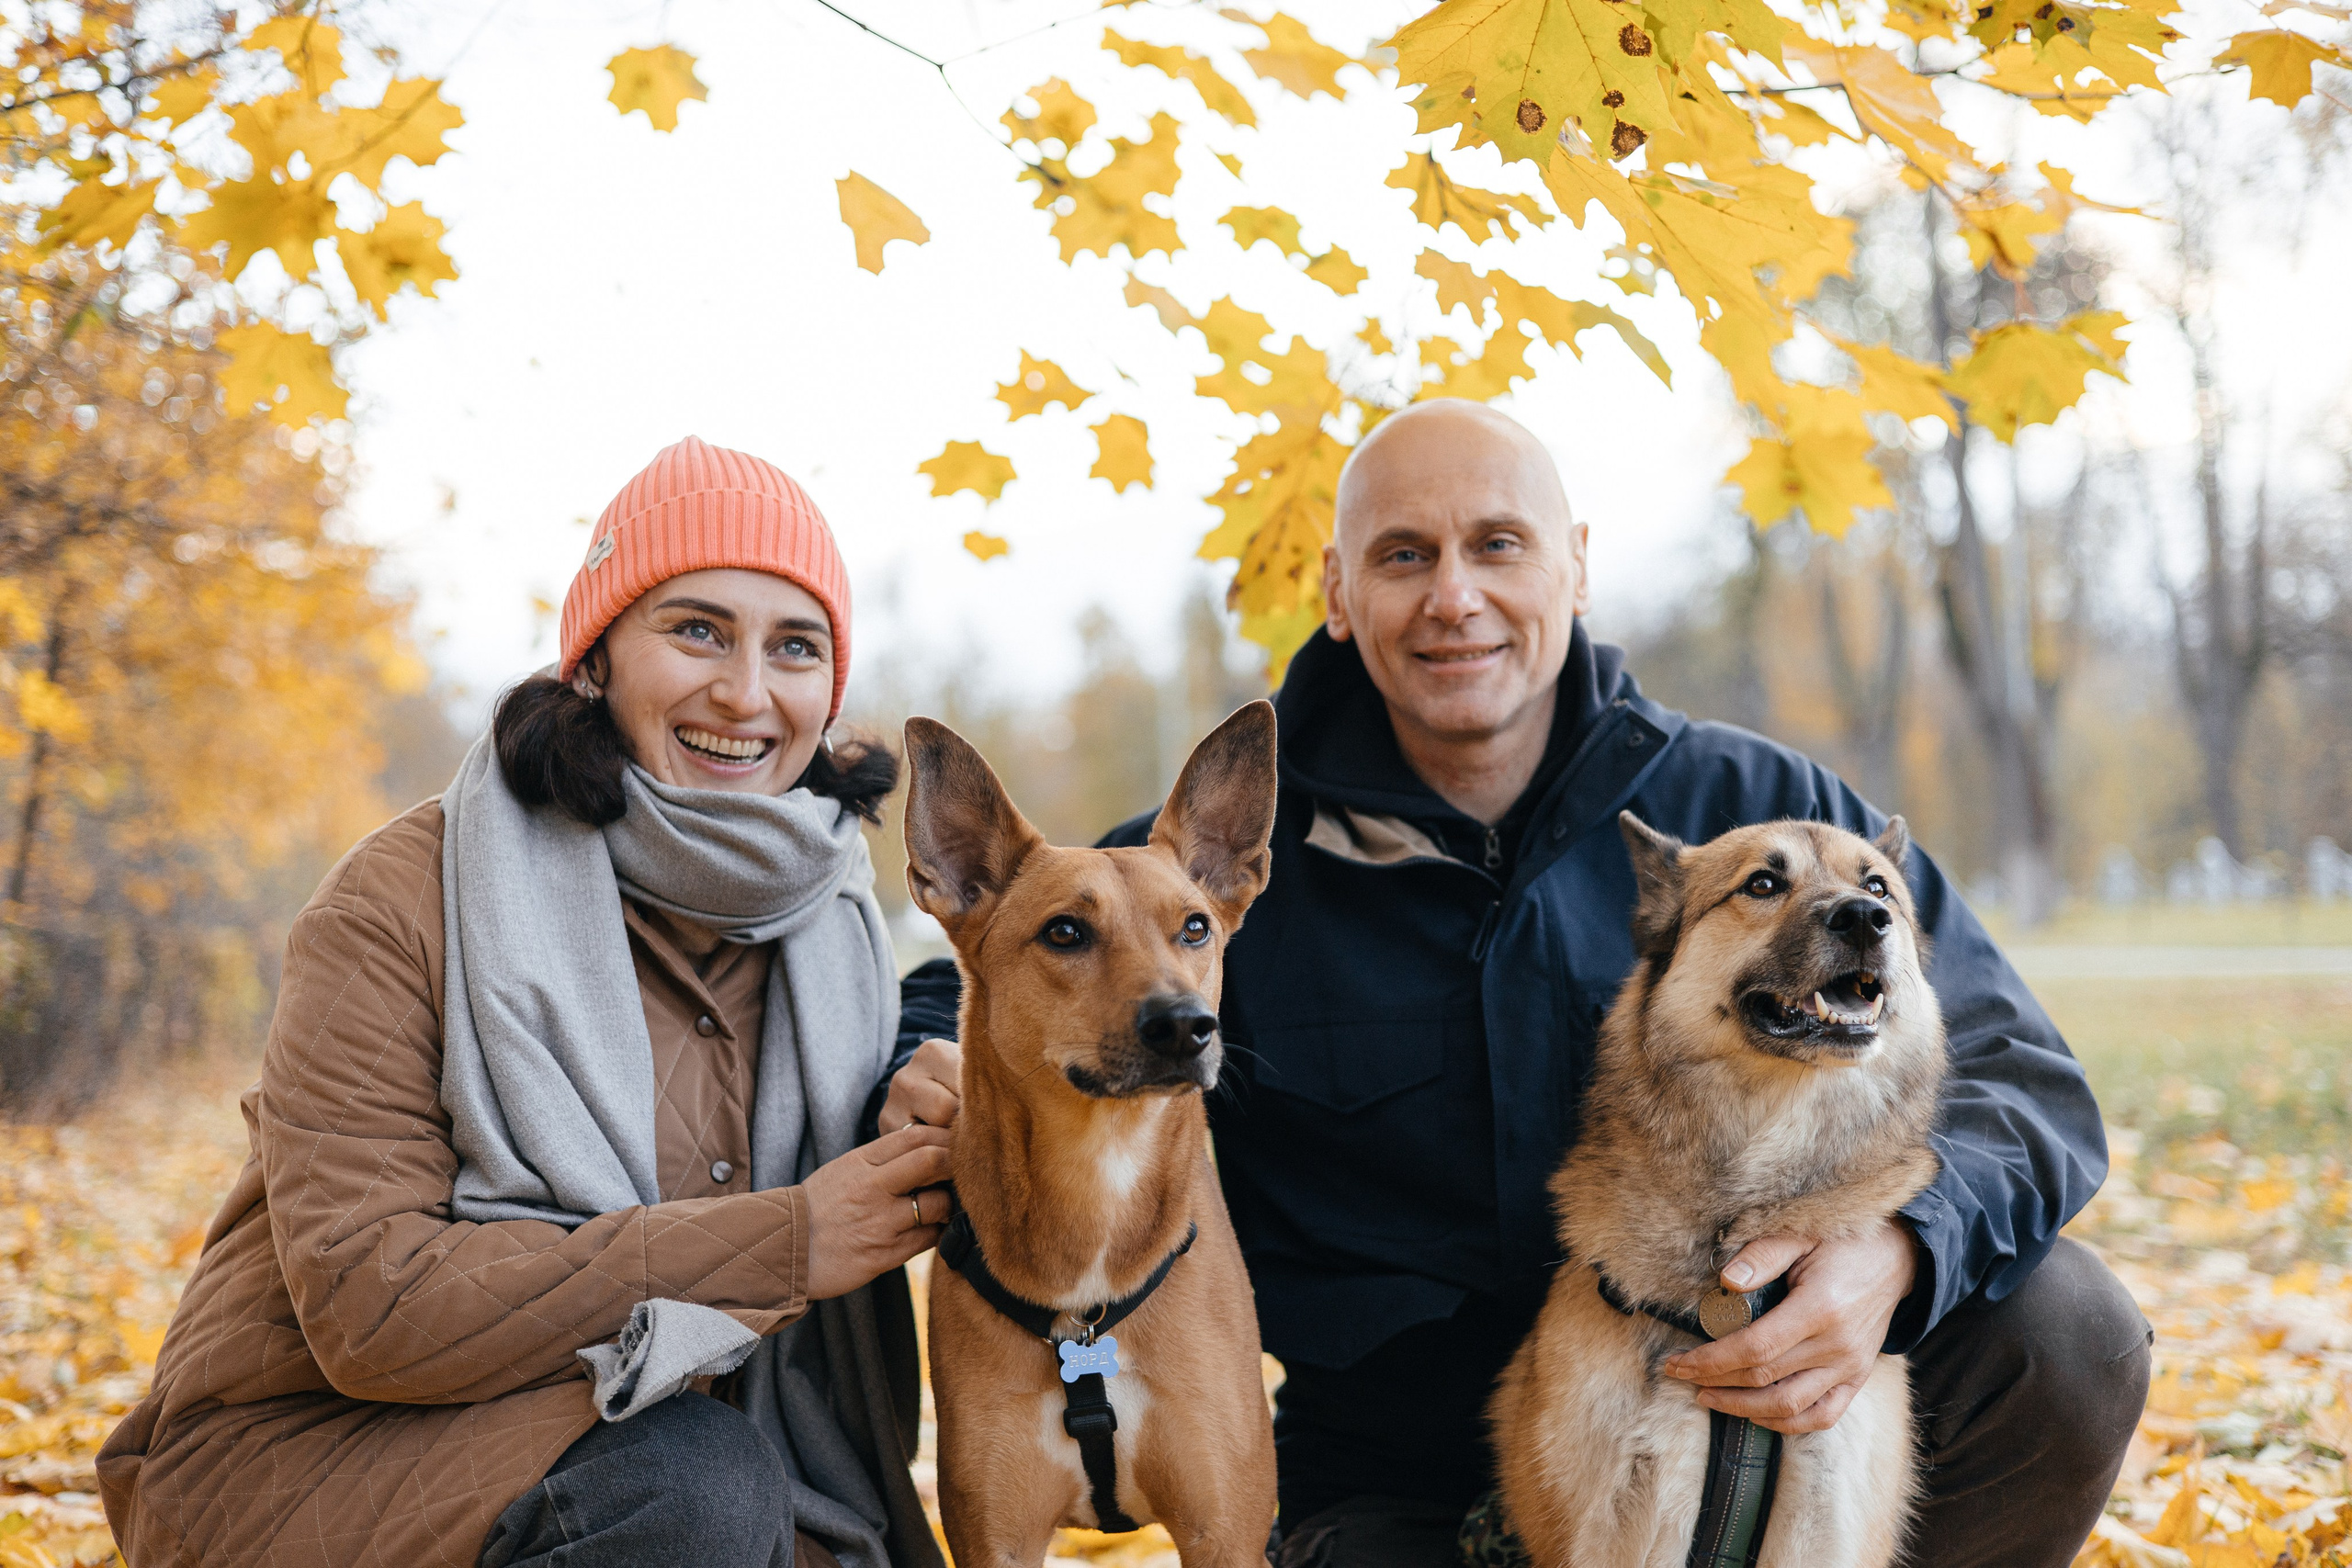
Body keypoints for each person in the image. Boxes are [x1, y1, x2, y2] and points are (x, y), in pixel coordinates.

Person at [890, 400, 2153, 1568]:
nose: (1455, 596)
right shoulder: (1206, 880)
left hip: (1752, 1406)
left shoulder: (1767, 826)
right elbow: (1012, 963)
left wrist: (1898, 1255)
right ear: (1337, 589)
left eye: (1499, 544)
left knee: (2068, 1332)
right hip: (1398, 1482)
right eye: (1402, 555)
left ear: (1576, 568)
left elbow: (2023, 1083)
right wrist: (916, 1063)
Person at [100, 436, 957, 1568]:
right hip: (314, 1456)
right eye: (696, 628)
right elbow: (372, 1308)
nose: (746, 692)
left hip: (659, 1457)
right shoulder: (405, 899)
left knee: (742, 1505)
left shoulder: (825, 914)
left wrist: (920, 1070)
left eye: (793, 648)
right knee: (695, 1490)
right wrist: (785, 1241)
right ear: (595, 658)